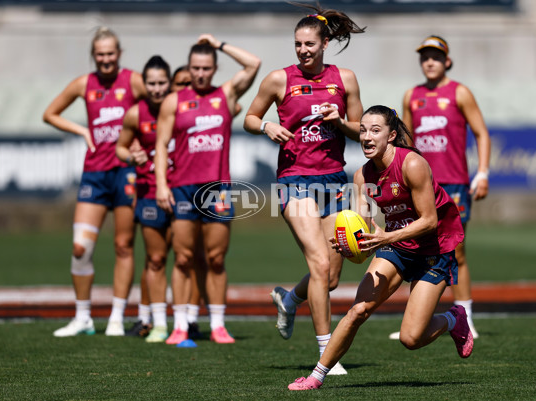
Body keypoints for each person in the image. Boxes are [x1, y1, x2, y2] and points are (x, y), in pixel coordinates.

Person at [287, 105, 472, 391]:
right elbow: (361, 223)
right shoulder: (362, 176)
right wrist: (350, 242)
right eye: (362, 130)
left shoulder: (412, 164)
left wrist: (385, 238)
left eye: (375, 131)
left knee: (410, 339)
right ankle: (316, 376)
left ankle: (453, 318)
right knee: (357, 311)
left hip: (434, 249)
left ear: (392, 135)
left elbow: (430, 221)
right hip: (398, 245)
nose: (367, 137)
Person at [243, 2, 364, 375]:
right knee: (319, 262)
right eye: (298, 44)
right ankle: (328, 354)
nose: (302, 50)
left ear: (325, 42)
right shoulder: (280, 79)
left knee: (329, 277)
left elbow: (361, 130)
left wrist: (340, 121)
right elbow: (249, 116)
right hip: (293, 180)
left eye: (309, 43)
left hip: (333, 180)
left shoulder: (345, 78)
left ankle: (289, 299)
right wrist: (266, 127)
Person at [155, 33, 261, 344]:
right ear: (188, 68)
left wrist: (219, 45)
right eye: (195, 68)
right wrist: (162, 184)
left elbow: (254, 64)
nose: (201, 73)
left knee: (215, 259)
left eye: (206, 67)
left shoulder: (225, 95)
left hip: (218, 190)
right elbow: (161, 145)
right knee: (184, 257)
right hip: (184, 188)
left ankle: (217, 324)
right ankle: (179, 325)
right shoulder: (174, 101)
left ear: (214, 68)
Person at [43, 27, 147, 337]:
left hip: (126, 173)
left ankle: (116, 317)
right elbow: (50, 113)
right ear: (94, 56)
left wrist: (143, 140)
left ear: (119, 54)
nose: (105, 59)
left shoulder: (133, 81)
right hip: (95, 174)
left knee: (123, 245)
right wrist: (82, 131)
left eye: (110, 53)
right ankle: (83, 316)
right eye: (100, 54)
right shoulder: (83, 84)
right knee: (80, 247)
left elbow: (161, 106)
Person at [396, 35, 491, 339]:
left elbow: (482, 133)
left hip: (454, 183)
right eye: (425, 56)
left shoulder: (459, 93)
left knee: (457, 250)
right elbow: (406, 142)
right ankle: (416, 318)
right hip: (420, 184)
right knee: (420, 249)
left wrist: (483, 172)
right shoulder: (411, 95)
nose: (430, 61)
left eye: (436, 56)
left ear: (447, 61)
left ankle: (465, 315)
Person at [116, 55, 174, 343]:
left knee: (188, 259)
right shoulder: (135, 113)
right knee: (155, 258)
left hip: (183, 190)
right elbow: (120, 149)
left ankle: (189, 322)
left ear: (170, 83)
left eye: (162, 82)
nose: (156, 88)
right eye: (151, 83)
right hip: (149, 192)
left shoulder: (180, 106)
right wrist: (132, 156)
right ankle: (157, 322)